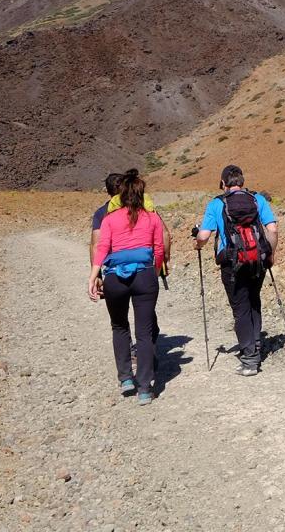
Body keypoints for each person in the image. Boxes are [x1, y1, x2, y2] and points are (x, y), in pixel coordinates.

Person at [194, 164, 278, 376]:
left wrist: (197, 244)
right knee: (254, 301)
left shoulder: (216, 204)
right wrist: (270, 255)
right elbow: (272, 228)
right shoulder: (257, 199)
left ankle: (249, 359)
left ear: (223, 184)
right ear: (242, 181)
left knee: (240, 308)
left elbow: (203, 236)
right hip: (257, 260)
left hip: (232, 263)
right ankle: (256, 345)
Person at [90, 169, 165, 405]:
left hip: (115, 279)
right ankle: (145, 389)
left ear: (120, 195)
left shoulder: (109, 219)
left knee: (119, 326)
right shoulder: (152, 218)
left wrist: (93, 276)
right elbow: (159, 249)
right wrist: (153, 273)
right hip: (144, 276)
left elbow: (102, 248)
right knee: (144, 332)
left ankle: (125, 379)